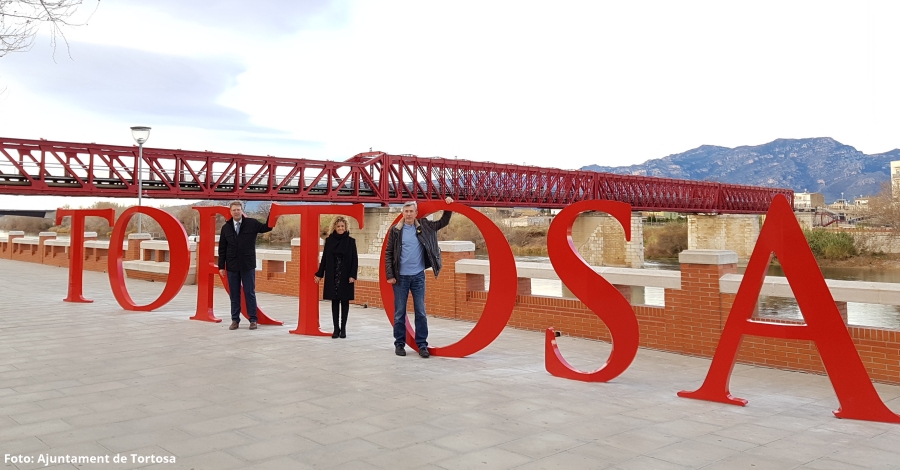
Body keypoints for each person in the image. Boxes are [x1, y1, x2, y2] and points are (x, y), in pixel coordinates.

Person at [385, 197, 454, 358]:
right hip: (400, 278)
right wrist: (390, 275)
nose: (409, 214)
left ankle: (422, 345)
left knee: (421, 312)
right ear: (403, 212)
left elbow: (443, 222)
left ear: (416, 213)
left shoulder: (425, 226)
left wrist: (448, 206)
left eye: (411, 211)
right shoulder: (395, 230)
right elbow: (388, 253)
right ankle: (399, 344)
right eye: (406, 211)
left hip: (418, 277)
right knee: (399, 312)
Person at [218, 201, 272, 330]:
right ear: (230, 212)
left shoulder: (251, 223)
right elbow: (222, 248)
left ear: (242, 210)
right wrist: (221, 266)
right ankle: (235, 320)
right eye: (234, 210)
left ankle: (253, 319)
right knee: (234, 294)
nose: (236, 212)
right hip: (232, 266)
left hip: (247, 265)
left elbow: (267, 227)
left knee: (249, 292)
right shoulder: (226, 228)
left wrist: (272, 212)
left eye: (238, 209)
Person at [314, 217, 359, 338]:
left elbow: (355, 260)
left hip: (345, 275)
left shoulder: (351, 241)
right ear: (334, 227)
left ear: (346, 227)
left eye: (342, 226)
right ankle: (336, 329)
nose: (340, 228)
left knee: (345, 302)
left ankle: (343, 329)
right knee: (334, 302)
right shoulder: (329, 241)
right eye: (338, 226)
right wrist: (319, 274)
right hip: (333, 274)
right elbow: (324, 259)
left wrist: (353, 275)